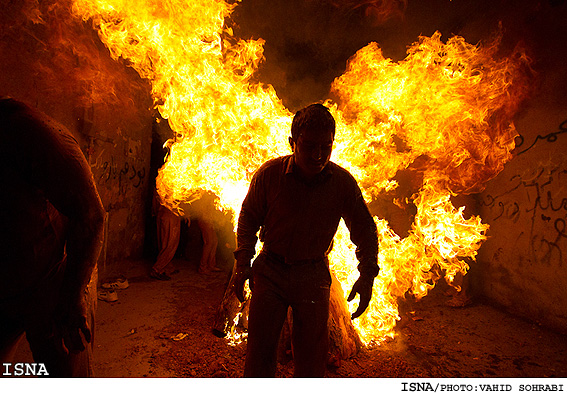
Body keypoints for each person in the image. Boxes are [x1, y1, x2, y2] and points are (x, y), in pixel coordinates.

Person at [232, 103, 380, 377]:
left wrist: (367, 274)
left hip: (312, 276)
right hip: (271, 271)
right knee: (260, 355)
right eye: (309, 145)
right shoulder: (269, 175)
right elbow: (248, 218)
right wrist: (243, 262)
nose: (318, 155)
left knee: (312, 361)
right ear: (292, 143)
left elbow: (365, 230)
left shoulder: (342, 184)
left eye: (326, 147)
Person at [0, 97, 105, 377]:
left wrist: (72, 298)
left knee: (63, 375)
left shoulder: (30, 132)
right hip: (5, 285)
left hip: (52, 280)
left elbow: (92, 215)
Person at [150, 188, 184, 281]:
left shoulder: (161, 181)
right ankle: (157, 269)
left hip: (162, 214)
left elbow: (155, 200)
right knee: (170, 245)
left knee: (164, 243)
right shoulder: (174, 183)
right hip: (171, 215)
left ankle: (168, 267)